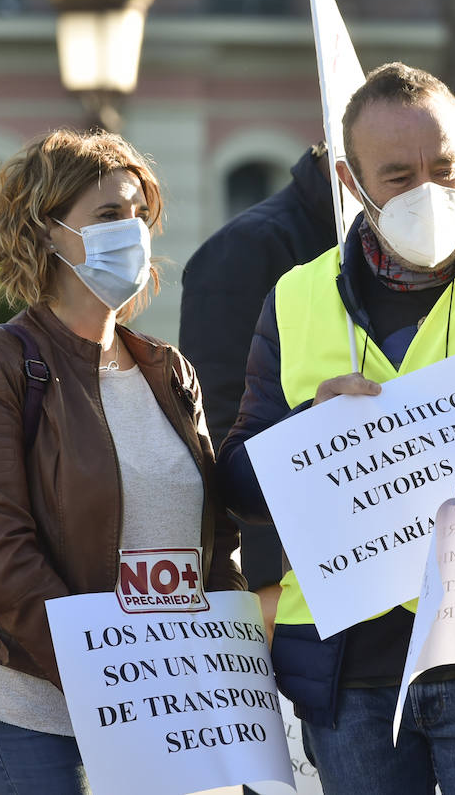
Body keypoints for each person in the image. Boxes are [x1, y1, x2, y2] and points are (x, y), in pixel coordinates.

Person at [217, 62, 455, 794]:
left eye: (444, 169)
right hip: (351, 677)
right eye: (399, 176)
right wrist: (308, 434)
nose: (428, 193)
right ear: (351, 182)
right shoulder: (297, 297)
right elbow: (240, 484)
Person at [0, 129, 245, 794]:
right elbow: (0, 555)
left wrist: (233, 664)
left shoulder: (167, 370)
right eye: (108, 216)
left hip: (162, 702)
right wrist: (104, 672)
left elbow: (215, 543)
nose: (131, 233)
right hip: (36, 706)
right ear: (46, 233)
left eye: (139, 215)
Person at [180, 142, 335, 601]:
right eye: (398, 171)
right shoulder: (245, 248)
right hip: (283, 568)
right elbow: (222, 418)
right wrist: (264, 574)